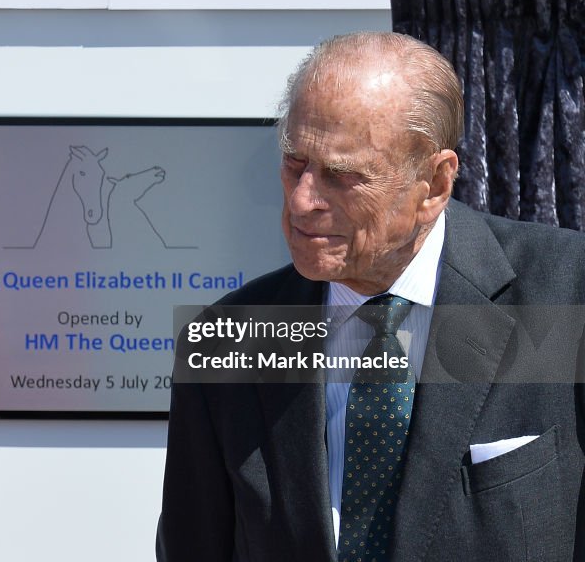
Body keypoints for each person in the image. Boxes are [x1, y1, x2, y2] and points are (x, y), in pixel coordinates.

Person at [157, 31, 585, 561]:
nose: (302, 200)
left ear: (433, 185)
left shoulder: (564, 292)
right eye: (294, 163)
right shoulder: (228, 341)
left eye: (342, 175)